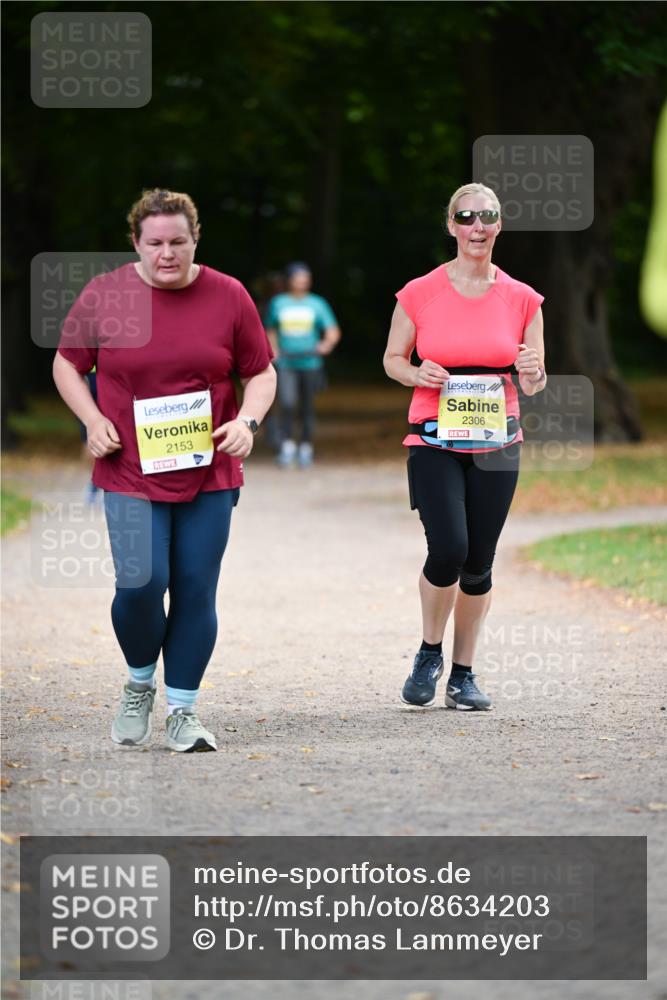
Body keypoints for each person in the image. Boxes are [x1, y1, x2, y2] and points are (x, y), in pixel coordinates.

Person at [53, 188, 276, 752]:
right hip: (128, 467)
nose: (167, 253)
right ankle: (138, 683)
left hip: (209, 471)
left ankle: (182, 710)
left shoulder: (228, 295)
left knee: (197, 589)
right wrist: (92, 419)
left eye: (178, 241)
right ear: (136, 243)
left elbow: (262, 372)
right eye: (155, 243)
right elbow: (67, 363)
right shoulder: (106, 294)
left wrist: (247, 422)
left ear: (195, 239)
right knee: (140, 582)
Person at [383, 182, 546, 711]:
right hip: (433, 436)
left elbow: (536, 378)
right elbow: (391, 358)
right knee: (448, 547)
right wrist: (415, 372)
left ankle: (463, 674)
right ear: (451, 225)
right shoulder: (419, 292)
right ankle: (429, 652)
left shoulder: (523, 298)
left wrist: (533, 371)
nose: (478, 226)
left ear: (499, 225)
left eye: (488, 216)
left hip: (497, 440)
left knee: (478, 561)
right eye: (467, 216)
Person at [264, 262, 341, 467]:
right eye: (298, 278)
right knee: (287, 403)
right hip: (286, 362)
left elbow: (332, 330)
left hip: (310, 362)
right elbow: (270, 329)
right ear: (290, 280)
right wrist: (273, 350)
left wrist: (327, 344)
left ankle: (306, 446)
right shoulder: (279, 303)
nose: (302, 282)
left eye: (305, 278)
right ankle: (287, 445)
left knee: (307, 406)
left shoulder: (317, 304)